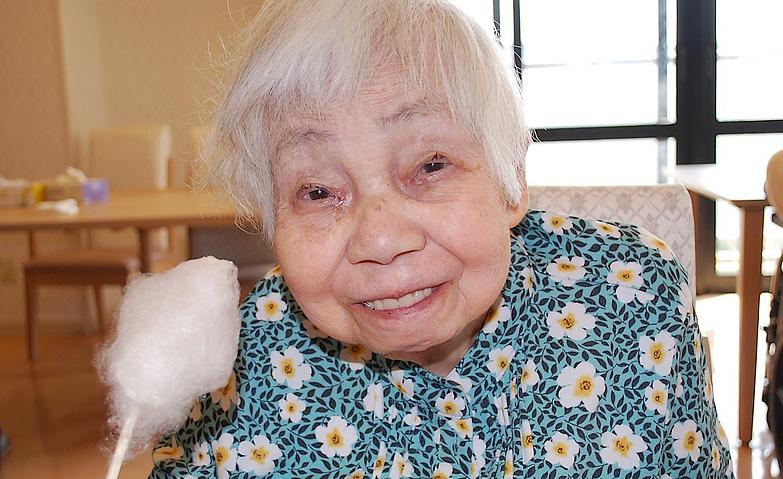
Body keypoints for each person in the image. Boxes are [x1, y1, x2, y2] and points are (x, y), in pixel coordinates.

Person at [149, 0, 734, 477]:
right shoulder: (233, 370)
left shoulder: (632, 297)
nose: (381, 239)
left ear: (511, 178)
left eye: (430, 165)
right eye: (318, 191)